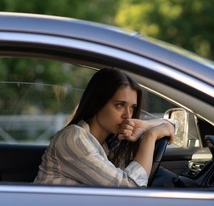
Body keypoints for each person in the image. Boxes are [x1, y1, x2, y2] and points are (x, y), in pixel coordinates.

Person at [34, 68, 176, 188]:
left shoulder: (109, 142)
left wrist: (145, 125)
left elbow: (173, 125)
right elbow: (130, 189)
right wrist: (151, 136)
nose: (128, 115)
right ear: (98, 103)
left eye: (132, 108)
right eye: (119, 105)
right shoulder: (74, 138)